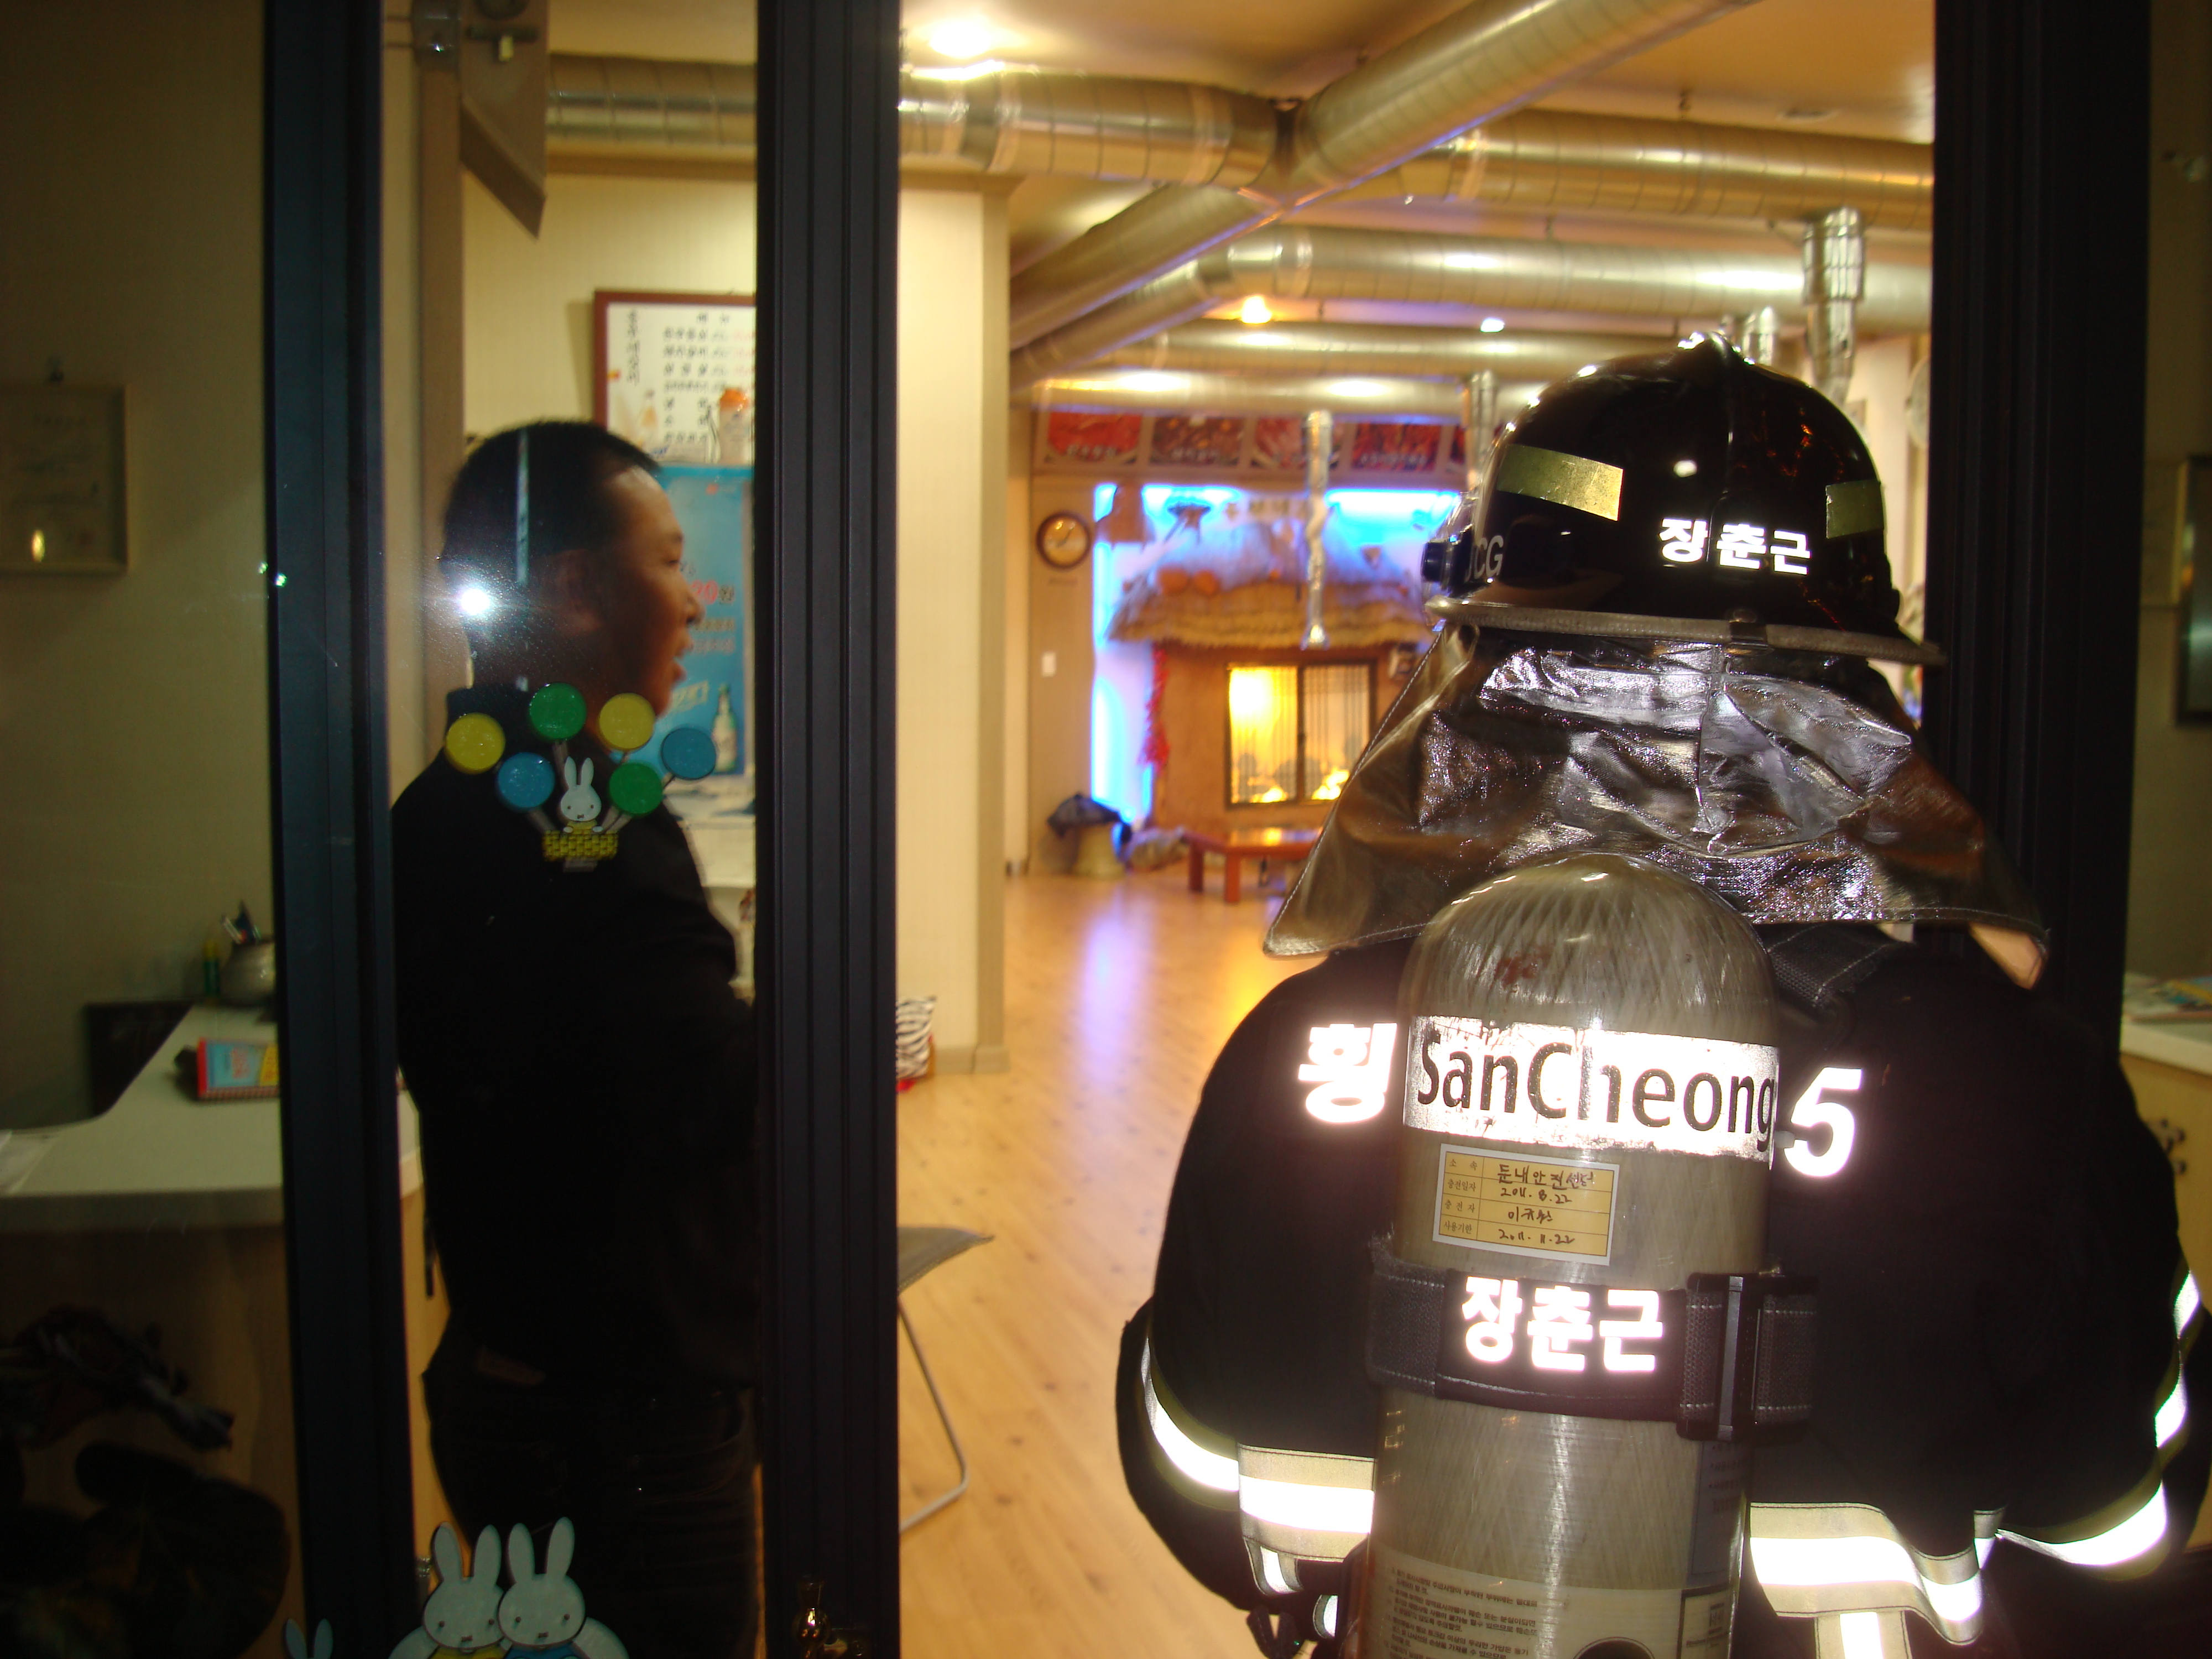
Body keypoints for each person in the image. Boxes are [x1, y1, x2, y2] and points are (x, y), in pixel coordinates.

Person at [1116, 338, 2212, 1657]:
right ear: (1852, 690)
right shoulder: (2022, 1090)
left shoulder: (1299, 1051)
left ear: (1494, 667)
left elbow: (1192, 1476)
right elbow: (2117, 1535)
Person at [392, 421, 759, 1659]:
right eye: (671, 562)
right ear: (575, 588)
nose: (694, 604)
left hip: (506, 1383)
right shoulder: (588, 826)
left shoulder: (440, 804)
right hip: (625, 1437)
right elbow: (711, 1099)